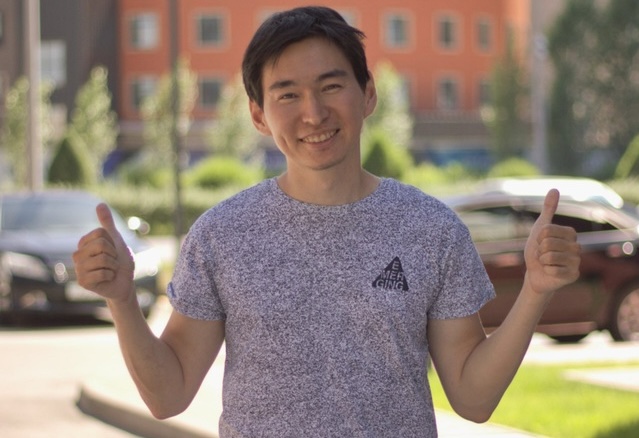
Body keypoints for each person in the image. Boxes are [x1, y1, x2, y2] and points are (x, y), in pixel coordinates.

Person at [73, 6, 581, 437]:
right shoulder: (220, 235)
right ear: (258, 114)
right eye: (287, 94)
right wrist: (122, 301)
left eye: (331, 86)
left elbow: (473, 398)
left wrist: (537, 290)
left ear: (368, 94)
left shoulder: (432, 230)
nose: (313, 113)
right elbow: (169, 393)